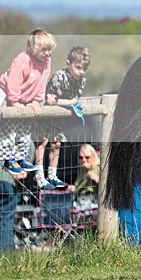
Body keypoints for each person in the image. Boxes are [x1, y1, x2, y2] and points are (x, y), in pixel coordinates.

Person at [0, 29, 68, 189]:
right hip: (10, 97)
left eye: (50, 50)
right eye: (44, 50)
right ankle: (9, 158)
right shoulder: (23, 60)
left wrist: (37, 101)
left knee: (25, 129)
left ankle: (21, 157)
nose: (48, 53)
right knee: (9, 129)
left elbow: (42, 83)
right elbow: (13, 81)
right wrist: (14, 101)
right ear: (33, 48)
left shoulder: (46, 62)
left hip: (27, 100)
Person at [40, 46, 92, 189]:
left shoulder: (82, 80)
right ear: (68, 63)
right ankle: (39, 175)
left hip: (58, 116)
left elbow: (73, 100)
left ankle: (52, 175)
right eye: (78, 67)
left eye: (85, 69)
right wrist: (62, 102)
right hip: (44, 114)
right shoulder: (58, 77)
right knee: (42, 143)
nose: (81, 72)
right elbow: (49, 100)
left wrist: (59, 101)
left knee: (57, 144)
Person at [0, 92, 19, 251]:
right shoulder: (8, 125)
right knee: (5, 222)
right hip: (6, 179)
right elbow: (28, 146)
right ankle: (5, 259)